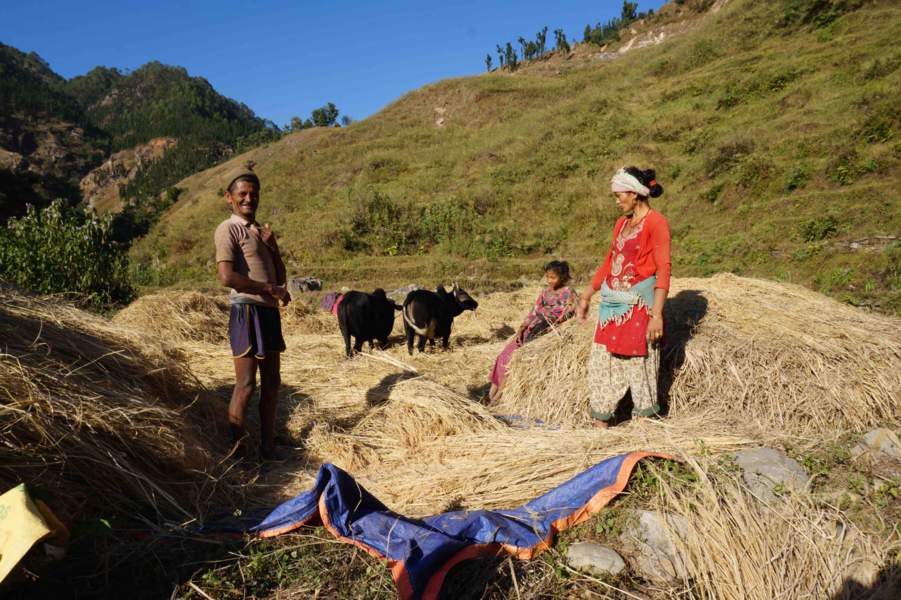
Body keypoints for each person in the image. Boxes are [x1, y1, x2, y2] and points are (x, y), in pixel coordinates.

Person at [576, 166, 671, 428]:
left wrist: (657, 315)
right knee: (602, 366)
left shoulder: (656, 223)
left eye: (619, 195)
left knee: (640, 367)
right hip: (611, 308)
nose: (617, 201)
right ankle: (600, 428)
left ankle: (644, 429)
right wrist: (586, 297)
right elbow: (610, 262)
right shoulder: (621, 224)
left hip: (639, 307)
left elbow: (663, 269)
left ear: (634, 193)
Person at [214, 161, 291, 460]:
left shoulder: (261, 232)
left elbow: (281, 277)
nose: (249, 199)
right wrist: (269, 290)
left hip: (268, 312)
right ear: (229, 197)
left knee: (272, 383)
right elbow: (226, 277)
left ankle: (268, 447)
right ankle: (237, 454)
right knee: (246, 385)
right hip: (246, 311)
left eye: (254, 193)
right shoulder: (228, 229)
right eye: (243, 194)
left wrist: (274, 248)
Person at [489, 260, 576, 401]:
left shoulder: (568, 292)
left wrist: (549, 319)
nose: (549, 280)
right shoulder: (544, 292)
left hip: (547, 330)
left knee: (516, 359)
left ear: (563, 277)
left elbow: (568, 312)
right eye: (547, 277)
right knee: (504, 356)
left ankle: (498, 396)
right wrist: (522, 327)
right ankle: (491, 392)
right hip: (532, 327)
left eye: (553, 277)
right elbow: (533, 311)